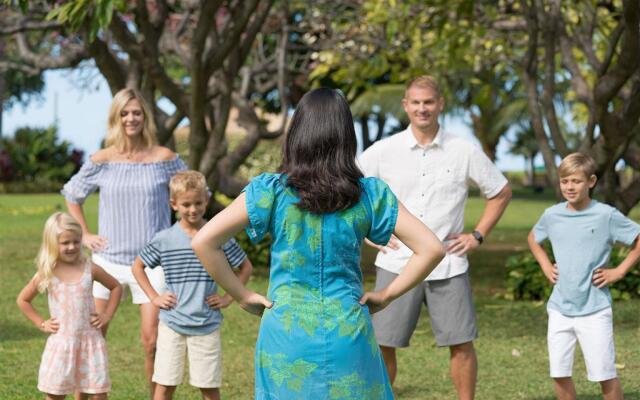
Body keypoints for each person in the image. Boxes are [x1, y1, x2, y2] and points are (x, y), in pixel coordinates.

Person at [192, 87, 445, 399]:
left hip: (286, 334)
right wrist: (388, 294)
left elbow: (204, 241)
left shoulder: (270, 192)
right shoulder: (369, 195)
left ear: (298, 133)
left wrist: (242, 295)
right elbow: (432, 248)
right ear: (346, 136)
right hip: (347, 331)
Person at [358, 75, 512, 399]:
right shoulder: (383, 151)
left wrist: (478, 235)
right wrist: (371, 235)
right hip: (396, 263)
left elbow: (500, 192)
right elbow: (353, 192)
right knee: (383, 344)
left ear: (440, 104)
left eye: (428, 102)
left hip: (449, 264)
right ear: (405, 106)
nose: (422, 108)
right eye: (415, 102)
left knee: (461, 343)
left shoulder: (464, 150)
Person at [61, 87, 187, 396]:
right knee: (92, 333)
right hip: (107, 262)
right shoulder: (102, 160)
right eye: (124, 113)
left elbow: (192, 191)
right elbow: (72, 194)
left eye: (136, 113)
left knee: (152, 340)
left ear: (145, 117)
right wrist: (86, 234)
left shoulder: (164, 159)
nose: (131, 118)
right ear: (116, 118)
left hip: (152, 263)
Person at [131, 171, 253, 400]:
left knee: (208, 387)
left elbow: (245, 267)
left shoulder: (217, 235)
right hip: (172, 324)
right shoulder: (164, 239)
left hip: (206, 324)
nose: (193, 209)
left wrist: (229, 298)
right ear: (173, 204)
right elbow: (137, 267)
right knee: (165, 385)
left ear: (206, 199)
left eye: (198, 203)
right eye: (186, 204)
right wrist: (154, 297)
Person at [528, 153, 640, 400]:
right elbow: (533, 238)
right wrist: (546, 266)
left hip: (595, 309)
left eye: (576, 181)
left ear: (591, 181)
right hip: (559, 308)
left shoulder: (605, 215)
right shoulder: (552, 215)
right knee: (559, 372)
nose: (569, 187)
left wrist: (619, 271)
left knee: (604, 374)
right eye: (565, 181)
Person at [16, 212, 122, 400]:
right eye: (65, 243)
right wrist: (41, 323)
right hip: (62, 344)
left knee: (98, 394)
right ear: (51, 244)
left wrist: (106, 315)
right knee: (56, 393)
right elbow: (23, 300)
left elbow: (115, 287)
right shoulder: (47, 272)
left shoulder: (90, 268)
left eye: (76, 241)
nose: (72, 247)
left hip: (90, 344)